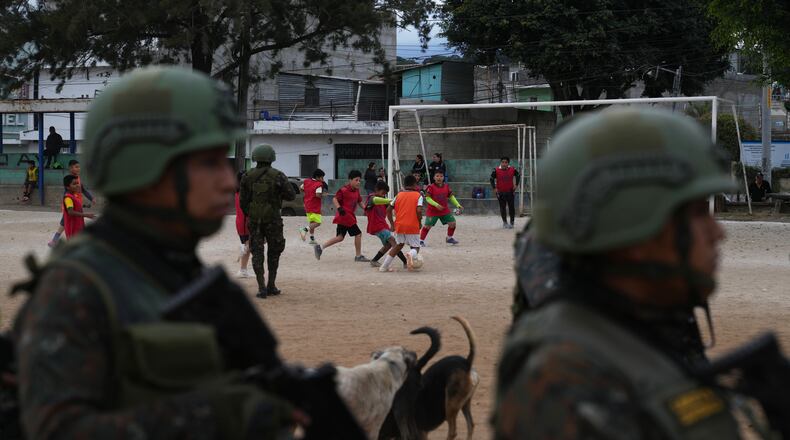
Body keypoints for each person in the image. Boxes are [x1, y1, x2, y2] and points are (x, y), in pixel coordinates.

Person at [14, 67, 297, 439]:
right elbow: (56, 428)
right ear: (146, 169)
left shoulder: (177, 270)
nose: (229, 182)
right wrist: (214, 414)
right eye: (209, 163)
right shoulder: (79, 285)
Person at [493, 108, 748, 438]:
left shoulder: (645, 324)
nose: (717, 233)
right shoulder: (569, 382)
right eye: (699, 214)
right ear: (636, 230)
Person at [240, 144, 296, 298]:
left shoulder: (247, 176)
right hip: (273, 219)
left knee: (257, 252)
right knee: (274, 252)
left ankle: (261, 287)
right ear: (272, 158)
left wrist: (252, 213)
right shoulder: (278, 175)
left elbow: (242, 202)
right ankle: (271, 284)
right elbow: (291, 195)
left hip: (255, 220)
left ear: (255, 158)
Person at [313, 169, 369, 262]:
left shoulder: (356, 191)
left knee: (340, 237)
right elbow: (335, 199)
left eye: (359, 180)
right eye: (356, 180)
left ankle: (320, 248)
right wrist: (339, 208)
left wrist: (366, 209)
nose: (358, 182)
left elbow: (359, 202)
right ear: (350, 180)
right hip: (345, 216)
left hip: (346, 217)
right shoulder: (344, 190)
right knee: (358, 234)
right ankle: (358, 256)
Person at [380, 174, 424, 272]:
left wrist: (392, 223)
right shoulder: (418, 196)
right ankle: (410, 254)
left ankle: (384, 267)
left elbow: (388, 209)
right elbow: (419, 210)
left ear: (404, 185)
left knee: (398, 246)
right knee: (416, 247)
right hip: (412, 225)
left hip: (399, 225)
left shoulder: (398, 195)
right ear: (415, 184)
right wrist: (419, 222)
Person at [48, 159, 95, 247]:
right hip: (70, 206)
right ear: (70, 168)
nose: (78, 169)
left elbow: (83, 190)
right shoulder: (69, 181)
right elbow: (67, 195)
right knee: (64, 223)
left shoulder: (78, 179)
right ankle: (55, 241)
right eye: (76, 167)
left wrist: (91, 198)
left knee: (72, 223)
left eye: (79, 167)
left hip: (77, 205)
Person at [365, 180, 407, 268]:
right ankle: (405, 262)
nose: (383, 195)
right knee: (394, 242)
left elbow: (390, 209)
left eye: (385, 193)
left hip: (383, 226)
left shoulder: (383, 201)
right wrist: (393, 200)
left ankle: (374, 260)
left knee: (388, 245)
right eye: (383, 192)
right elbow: (376, 200)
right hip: (377, 226)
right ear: (376, 189)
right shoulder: (371, 198)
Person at [420, 169, 463, 246]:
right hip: (432, 211)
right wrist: (436, 205)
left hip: (444, 210)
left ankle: (449, 238)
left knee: (452, 223)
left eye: (441, 176)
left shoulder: (446, 186)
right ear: (434, 177)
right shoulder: (430, 187)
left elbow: (451, 197)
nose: (439, 178)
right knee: (427, 226)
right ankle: (421, 241)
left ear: (443, 177)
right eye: (437, 176)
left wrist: (458, 205)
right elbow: (427, 198)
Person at [299, 168, 327, 245]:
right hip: (314, 206)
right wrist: (323, 195)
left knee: (312, 222)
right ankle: (304, 230)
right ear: (317, 177)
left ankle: (312, 239)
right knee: (318, 223)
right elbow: (318, 195)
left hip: (307, 205)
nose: (323, 179)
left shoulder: (307, 181)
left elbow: (301, 188)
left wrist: (308, 192)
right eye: (322, 177)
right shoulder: (319, 184)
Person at [491, 156, 520, 229]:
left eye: (506, 162)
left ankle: (512, 222)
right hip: (500, 192)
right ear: (501, 163)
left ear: (508, 163)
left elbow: (518, 175)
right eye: (503, 162)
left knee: (511, 208)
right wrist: (494, 188)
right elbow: (491, 179)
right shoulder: (496, 170)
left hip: (510, 192)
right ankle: (505, 222)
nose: (504, 164)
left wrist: (516, 184)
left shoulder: (512, 169)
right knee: (502, 208)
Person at [234, 170, 252, 278]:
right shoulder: (245, 193)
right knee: (248, 246)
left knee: (248, 246)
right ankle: (242, 269)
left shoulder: (238, 191)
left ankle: (243, 269)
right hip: (245, 223)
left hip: (240, 223)